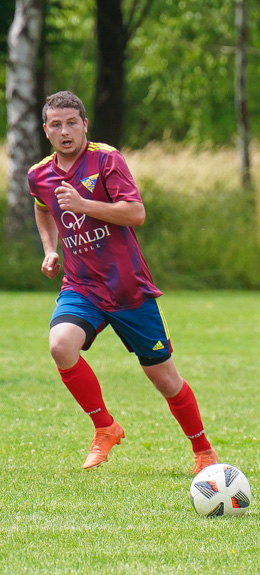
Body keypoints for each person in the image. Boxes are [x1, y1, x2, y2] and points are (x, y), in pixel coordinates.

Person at [29, 91, 218, 473]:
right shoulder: (39, 175)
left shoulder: (106, 159)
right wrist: (50, 250)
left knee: (164, 377)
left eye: (71, 123)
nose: (64, 131)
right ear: (46, 130)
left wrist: (84, 204)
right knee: (60, 345)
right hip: (81, 287)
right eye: (56, 125)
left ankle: (203, 450)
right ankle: (105, 427)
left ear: (85, 125)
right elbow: (43, 208)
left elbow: (135, 213)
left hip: (128, 288)